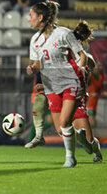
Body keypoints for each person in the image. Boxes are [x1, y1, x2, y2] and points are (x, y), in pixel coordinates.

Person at [26, 20, 103, 163]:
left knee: (86, 137)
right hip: (58, 93)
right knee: (61, 129)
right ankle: (78, 144)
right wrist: (43, 86)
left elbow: (88, 69)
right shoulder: (61, 56)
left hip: (75, 95)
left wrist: (85, 68)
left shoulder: (84, 57)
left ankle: (95, 150)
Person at [27, 0, 87, 168]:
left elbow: (81, 54)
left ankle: (70, 158)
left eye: (30, 15)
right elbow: (38, 64)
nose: (28, 19)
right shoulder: (35, 40)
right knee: (61, 128)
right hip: (52, 85)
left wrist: (81, 68)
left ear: (40, 17)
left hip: (70, 81)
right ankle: (85, 141)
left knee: (65, 121)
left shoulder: (63, 33)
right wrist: (33, 67)